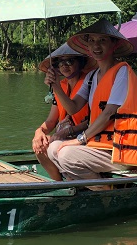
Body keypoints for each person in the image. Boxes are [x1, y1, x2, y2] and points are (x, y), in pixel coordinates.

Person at [44, 18, 137, 187]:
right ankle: (94, 186)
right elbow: (72, 108)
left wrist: (79, 139)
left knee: (66, 155)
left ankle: (103, 193)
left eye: (102, 41)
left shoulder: (121, 72)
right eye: (91, 41)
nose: (96, 46)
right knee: (52, 148)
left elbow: (109, 112)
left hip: (123, 148)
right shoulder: (92, 77)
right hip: (102, 144)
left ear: (114, 45)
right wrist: (56, 86)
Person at [32, 43, 95, 180]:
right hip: (64, 134)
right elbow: (51, 121)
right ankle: (58, 183)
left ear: (80, 62)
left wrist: (65, 133)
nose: (64, 66)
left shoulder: (90, 82)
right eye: (60, 63)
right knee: (40, 147)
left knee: (54, 146)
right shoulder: (60, 86)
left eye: (69, 61)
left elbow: (92, 121)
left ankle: (74, 181)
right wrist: (39, 132)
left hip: (86, 135)